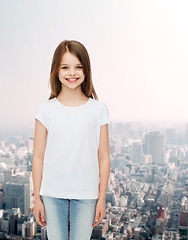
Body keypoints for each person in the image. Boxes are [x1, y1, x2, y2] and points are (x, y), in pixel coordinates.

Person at [32, 39, 110, 240]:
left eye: (78, 67)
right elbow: (38, 157)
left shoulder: (98, 109)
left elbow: (104, 157)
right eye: (65, 67)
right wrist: (37, 199)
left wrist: (101, 199)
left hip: (86, 194)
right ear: (56, 71)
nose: (72, 73)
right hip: (52, 193)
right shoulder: (45, 109)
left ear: (86, 71)